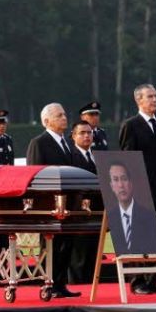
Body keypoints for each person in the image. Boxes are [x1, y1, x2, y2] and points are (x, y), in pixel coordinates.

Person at [118, 83, 156, 295]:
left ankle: (153, 279)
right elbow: (127, 161)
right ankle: (137, 281)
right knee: (140, 237)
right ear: (139, 100)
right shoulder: (131, 125)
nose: (155, 100)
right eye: (150, 96)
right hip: (140, 192)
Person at [25, 103, 80, 298]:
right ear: (47, 121)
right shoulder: (39, 142)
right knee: (50, 248)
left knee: (66, 247)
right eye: (59, 115)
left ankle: (60, 284)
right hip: (50, 206)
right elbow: (35, 174)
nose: (64, 118)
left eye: (64, 114)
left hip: (68, 205)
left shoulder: (67, 143)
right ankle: (48, 284)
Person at [67, 121, 100, 284]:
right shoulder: (70, 156)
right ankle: (77, 283)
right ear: (73, 136)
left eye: (89, 132)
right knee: (78, 254)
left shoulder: (97, 155)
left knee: (93, 251)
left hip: (97, 212)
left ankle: (90, 283)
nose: (87, 136)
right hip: (78, 212)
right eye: (82, 133)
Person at [106, 161, 156, 254]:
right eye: (116, 180)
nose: (121, 185)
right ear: (111, 186)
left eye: (124, 179)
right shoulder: (109, 217)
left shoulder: (149, 216)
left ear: (131, 183)